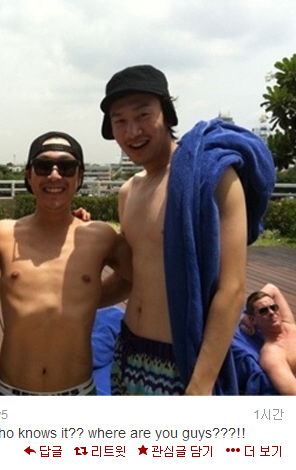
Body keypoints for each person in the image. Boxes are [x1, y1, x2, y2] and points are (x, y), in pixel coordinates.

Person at [100, 64, 275, 395]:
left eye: (143, 115)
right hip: (127, 351)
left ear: (166, 113)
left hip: (182, 362)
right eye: (119, 121)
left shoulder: (213, 177)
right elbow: (132, 276)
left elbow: (233, 289)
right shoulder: (128, 192)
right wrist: (71, 300)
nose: (132, 131)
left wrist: (201, 384)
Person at [0, 132, 131, 395]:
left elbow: (136, 276)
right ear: (29, 175)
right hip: (11, 392)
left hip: (77, 392)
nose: (54, 175)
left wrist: (87, 298)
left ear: (79, 177)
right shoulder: (2, 234)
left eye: (66, 167)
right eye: (43, 166)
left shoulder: (100, 236)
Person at [244, 284, 296, 395]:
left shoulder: (288, 322)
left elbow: (272, 288)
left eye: (273, 307)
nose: (271, 312)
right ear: (253, 319)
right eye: (263, 311)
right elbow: (292, 393)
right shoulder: (272, 354)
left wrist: (243, 316)